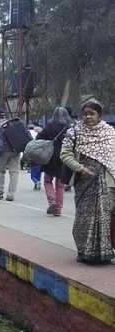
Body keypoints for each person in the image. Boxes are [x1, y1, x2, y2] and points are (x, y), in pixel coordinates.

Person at [60, 100, 114, 264]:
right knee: (85, 217)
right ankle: (85, 252)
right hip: (84, 181)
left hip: (108, 181)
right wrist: (80, 168)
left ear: (100, 115)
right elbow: (65, 154)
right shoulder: (74, 132)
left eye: (92, 113)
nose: (88, 117)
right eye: (85, 114)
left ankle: (104, 253)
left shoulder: (110, 132)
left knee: (105, 217)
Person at [37, 107, 71, 216]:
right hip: (64, 157)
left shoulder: (50, 126)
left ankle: (52, 201)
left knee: (47, 180)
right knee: (60, 184)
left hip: (51, 156)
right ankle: (58, 208)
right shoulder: (69, 127)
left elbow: (38, 138)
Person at [0, 110, 20, 201]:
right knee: (14, 172)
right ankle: (11, 194)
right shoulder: (13, 123)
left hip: (2, 150)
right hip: (15, 149)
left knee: (0, 171)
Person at [28, 124, 42, 190]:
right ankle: (38, 181)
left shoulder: (30, 135)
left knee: (33, 172)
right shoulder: (42, 136)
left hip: (34, 155)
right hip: (41, 155)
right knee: (38, 170)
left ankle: (36, 181)